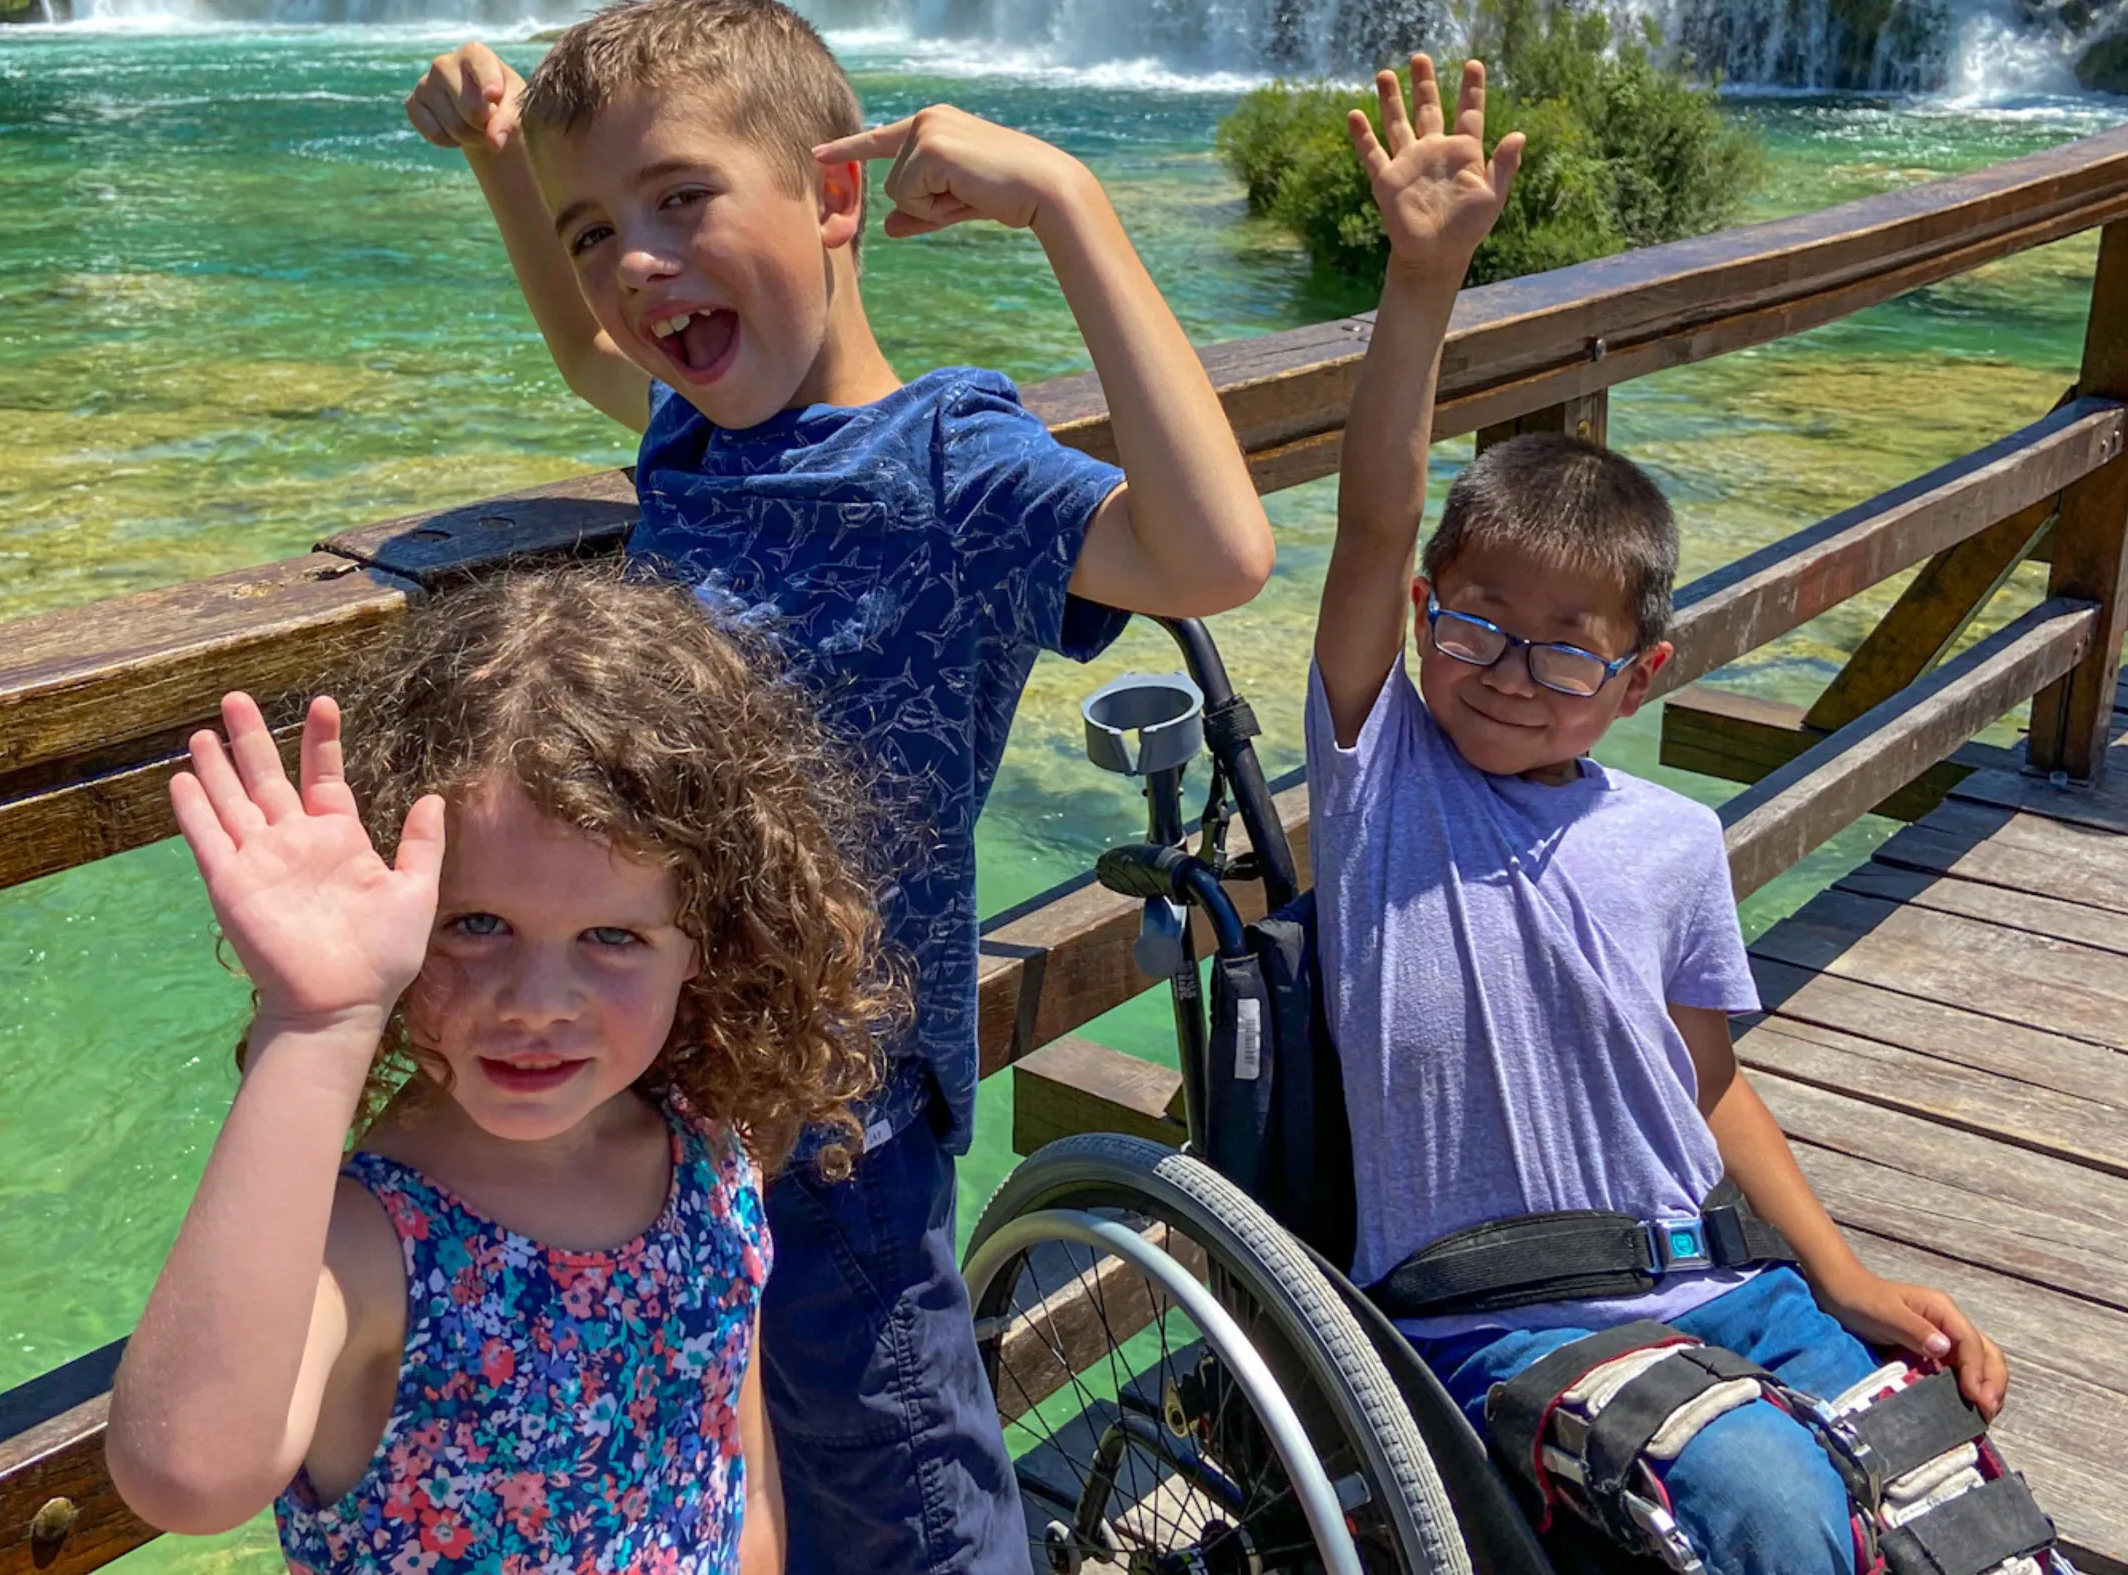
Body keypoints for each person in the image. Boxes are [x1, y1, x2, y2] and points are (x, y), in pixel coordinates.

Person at [402, 5, 1276, 1570]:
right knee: (715, 1492)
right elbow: (581, 346)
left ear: (832, 198)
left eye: (681, 199)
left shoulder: (956, 460)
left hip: (838, 1125)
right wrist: (499, 163)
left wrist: (1062, 203)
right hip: (658, 1102)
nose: (634, 262)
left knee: (902, 1502)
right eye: (599, 227)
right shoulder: (692, 432)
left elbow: (1214, 552)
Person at [1310, 55, 2034, 1575]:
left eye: (1565, 645)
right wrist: (1421, 277)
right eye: (1476, 622)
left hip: (1718, 1280)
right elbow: (1374, 513)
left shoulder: (1669, 840)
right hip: (1490, 1313)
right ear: (1426, 613)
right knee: (1768, 1507)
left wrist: (1840, 1278)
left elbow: (1704, 1087)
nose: (1510, 670)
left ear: (1637, 675)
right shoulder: (1382, 772)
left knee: (1957, 1506)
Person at [104, 568, 897, 1575]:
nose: (535, 1001)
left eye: (611, 937)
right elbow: (186, 1475)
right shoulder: (372, 1240)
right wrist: (318, 1022)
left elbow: (729, 1467)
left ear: (707, 938)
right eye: (475, 926)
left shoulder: (701, 1142)